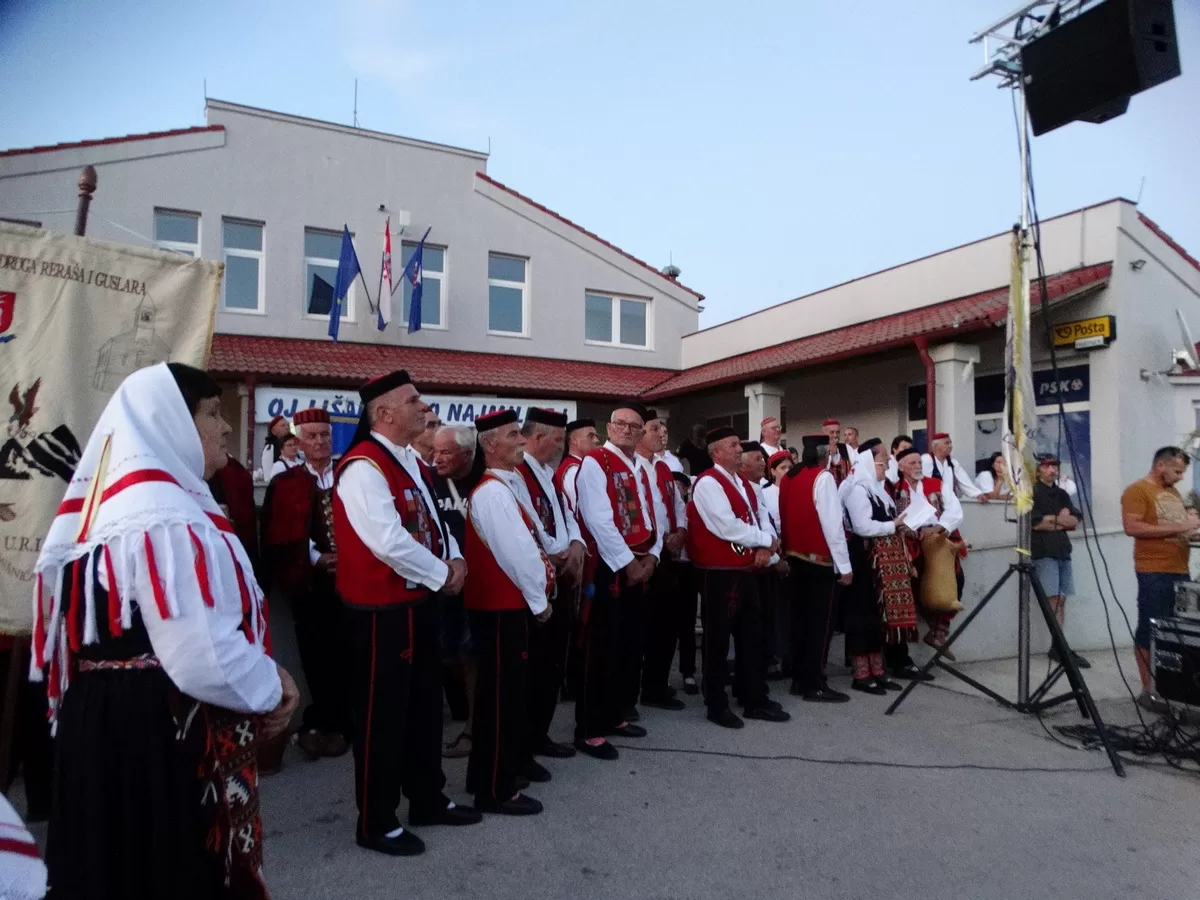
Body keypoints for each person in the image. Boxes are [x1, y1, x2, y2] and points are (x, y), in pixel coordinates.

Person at [35, 362, 297, 899]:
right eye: (212, 413)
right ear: (171, 423)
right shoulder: (163, 516)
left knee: (111, 865)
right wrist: (272, 685)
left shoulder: (114, 510)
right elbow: (201, 655)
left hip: (105, 718)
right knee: (162, 868)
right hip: (154, 727)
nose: (226, 427)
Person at [332, 370, 480, 858]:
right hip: (381, 613)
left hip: (417, 603)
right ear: (384, 413)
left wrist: (455, 557)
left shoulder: (409, 460)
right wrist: (443, 574)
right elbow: (387, 541)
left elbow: (435, 520)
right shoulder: (363, 465)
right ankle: (376, 821)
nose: (424, 406)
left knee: (423, 709)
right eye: (413, 400)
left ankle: (427, 798)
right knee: (382, 717)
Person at [463, 409, 554, 815]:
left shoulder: (505, 484)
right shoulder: (493, 492)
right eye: (514, 435)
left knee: (499, 697)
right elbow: (519, 554)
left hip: (504, 607)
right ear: (490, 444)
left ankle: (487, 775)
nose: (522, 441)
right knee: (501, 699)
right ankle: (496, 789)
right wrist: (540, 601)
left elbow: (534, 538)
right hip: (501, 610)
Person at [261, 407, 349, 760]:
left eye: (325, 435)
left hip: (353, 579)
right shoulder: (287, 482)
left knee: (350, 652)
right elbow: (281, 533)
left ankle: (345, 723)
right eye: (312, 436)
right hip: (310, 585)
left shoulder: (350, 475)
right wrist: (316, 557)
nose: (320, 442)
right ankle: (324, 722)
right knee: (316, 654)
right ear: (299, 442)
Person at [575, 404, 662, 758]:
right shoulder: (596, 462)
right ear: (609, 428)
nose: (627, 430)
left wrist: (653, 555)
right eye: (620, 424)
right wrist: (628, 564)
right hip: (611, 566)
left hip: (640, 562)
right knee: (602, 648)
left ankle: (616, 714)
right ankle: (589, 728)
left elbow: (655, 514)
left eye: (634, 426)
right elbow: (598, 519)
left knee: (628, 645)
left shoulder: (642, 466)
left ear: (641, 433)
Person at [687, 428, 789, 728]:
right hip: (719, 572)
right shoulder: (708, 482)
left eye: (738, 445)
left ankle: (752, 696)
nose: (738, 450)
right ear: (716, 452)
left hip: (744, 569)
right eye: (732, 445)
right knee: (717, 640)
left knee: (751, 637)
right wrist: (765, 541)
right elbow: (727, 526)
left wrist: (767, 548)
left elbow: (758, 518)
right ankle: (716, 703)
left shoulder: (742, 483)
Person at [518, 408, 586, 766]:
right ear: (538, 437)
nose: (560, 447)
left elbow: (566, 516)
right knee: (536, 666)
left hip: (559, 575)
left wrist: (575, 545)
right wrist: (557, 554)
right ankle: (525, 744)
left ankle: (540, 734)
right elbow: (526, 529)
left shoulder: (548, 474)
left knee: (552, 664)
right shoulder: (518, 474)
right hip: (537, 581)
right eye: (557, 440)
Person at [1121, 446, 1199, 713]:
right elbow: (1132, 527)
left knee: (1176, 632)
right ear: (1160, 466)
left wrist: (1192, 534)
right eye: (1177, 471)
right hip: (1154, 571)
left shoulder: (1173, 493)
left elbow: (1176, 530)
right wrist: (1182, 527)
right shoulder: (1137, 491)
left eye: (1183, 472)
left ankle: (1170, 688)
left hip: (1179, 569)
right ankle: (1148, 691)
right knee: (1150, 628)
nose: (1180, 477)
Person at [779, 434, 853, 702]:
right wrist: (844, 566)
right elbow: (833, 525)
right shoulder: (823, 477)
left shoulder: (789, 477)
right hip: (819, 561)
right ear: (825, 454)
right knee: (820, 625)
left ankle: (799, 679)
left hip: (794, 557)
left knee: (799, 622)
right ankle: (814, 683)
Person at [430, 424, 485, 758]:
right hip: (441, 583)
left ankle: (473, 732)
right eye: (435, 451)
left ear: (467, 454)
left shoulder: (485, 481)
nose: (436, 459)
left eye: (445, 452)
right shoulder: (428, 480)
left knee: (471, 657)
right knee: (446, 656)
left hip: (479, 584)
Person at [841, 439, 909, 694]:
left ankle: (878, 670)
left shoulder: (876, 488)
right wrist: (893, 525)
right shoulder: (858, 489)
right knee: (861, 614)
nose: (888, 464)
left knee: (876, 615)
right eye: (884, 461)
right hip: (863, 559)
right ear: (870, 461)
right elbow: (862, 526)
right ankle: (861, 673)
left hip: (878, 560)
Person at [637, 410, 690, 711]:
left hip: (669, 555)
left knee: (668, 624)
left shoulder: (664, 468)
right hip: (647, 555)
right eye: (654, 428)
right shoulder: (634, 467)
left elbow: (678, 505)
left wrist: (681, 530)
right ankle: (642, 687)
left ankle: (658, 684)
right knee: (646, 626)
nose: (661, 434)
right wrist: (662, 540)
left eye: (661, 428)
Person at [891, 447, 965, 660]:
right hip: (910, 542)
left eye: (919, 463)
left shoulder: (936, 484)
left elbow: (955, 511)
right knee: (914, 584)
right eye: (912, 463)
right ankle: (931, 629)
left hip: (937, 538)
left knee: (957, 578)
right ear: (901, 466)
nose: (917, 467)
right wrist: (914, 532)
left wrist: (939, 528)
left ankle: (939, 631)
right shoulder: (894, 488)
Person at [554, 418, 601, 702]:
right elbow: (580, 514)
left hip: (586, 551)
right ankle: (572, 679)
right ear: (574, 441)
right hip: (582, 553)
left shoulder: (579, 468)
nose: (596, 441)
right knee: (580, 617)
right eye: (591, 436)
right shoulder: (573, 471)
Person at [1031, 454, 1086, 668]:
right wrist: (1060, 519)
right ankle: (1060, 646)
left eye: (1054, 466)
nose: (1052, 470)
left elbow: (1075, 520)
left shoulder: (1061, 494)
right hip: (1044, 551)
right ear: (1039, 469)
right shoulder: (1033, 492)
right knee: (1053, 599)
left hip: (1062, 549)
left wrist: (1051, 519)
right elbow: (1035, 523)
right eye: (1047, 466)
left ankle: (1059, 645)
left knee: (1062, 599)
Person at [741, 441, 790, 682]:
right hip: (749, 567)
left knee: (766, 621)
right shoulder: (742, 489)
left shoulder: (757, 489)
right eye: (758, 459)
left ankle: (763, 670)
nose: (763, 463)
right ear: (743, 464)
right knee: (751, 628)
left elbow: (766, 526)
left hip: (767, 563)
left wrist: (773, 553)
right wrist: (774, 557)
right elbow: (745, 531)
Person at [922, 432, 986, 501]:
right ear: (936, 446)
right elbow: (923, 483)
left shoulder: (953, 462)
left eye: (950, 443)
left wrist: (977, 494)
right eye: (947, 443)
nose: (950, 446)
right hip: (930, 502)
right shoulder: (926, 460)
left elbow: (964, 481)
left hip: (948, 502)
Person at [260, 414, 292, 479]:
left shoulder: (293, 444)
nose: (287, 428)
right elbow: (267, 472)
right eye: (283, 426)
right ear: (273, 430)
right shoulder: (270, 447)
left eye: (288, 425)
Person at [822, 419, 852, 486]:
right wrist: (831, 455)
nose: (835, 435)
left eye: (838, 432)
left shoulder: (847, 448)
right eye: (832, 432)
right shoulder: (820, 451)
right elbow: (821, 473)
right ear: (824, 433)